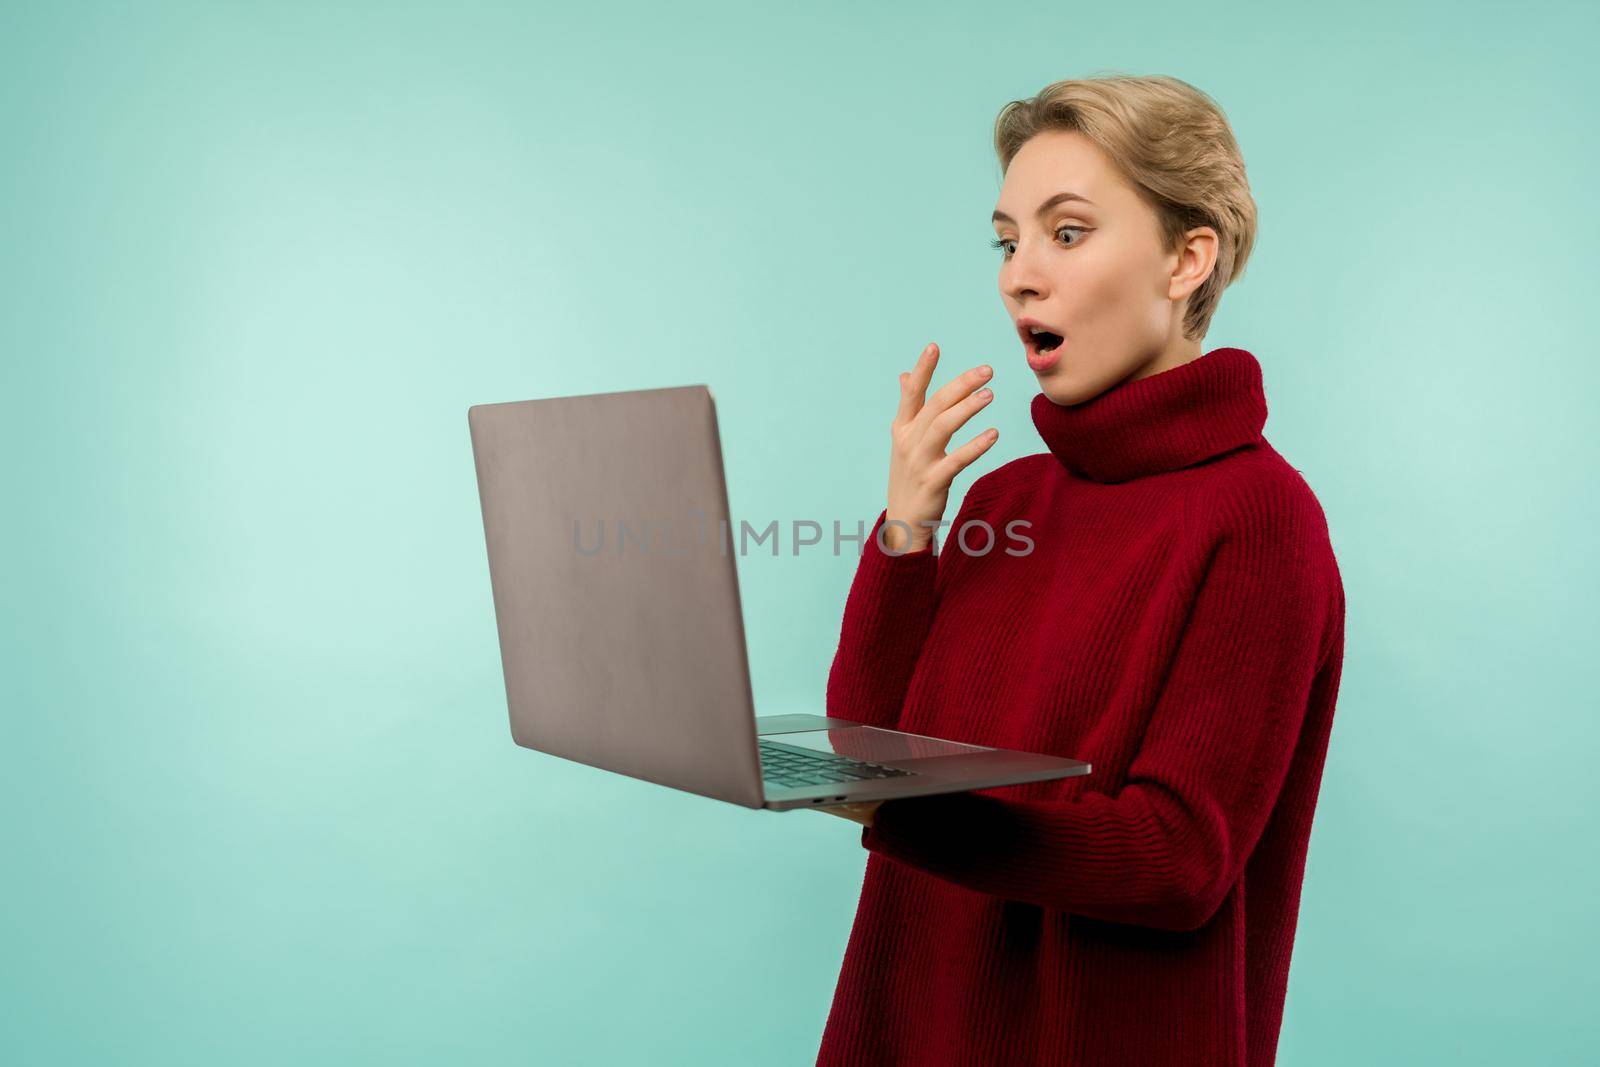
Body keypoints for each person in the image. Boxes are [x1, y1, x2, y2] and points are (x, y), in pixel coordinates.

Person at [812, 74, 1347, 1067]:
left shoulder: (1261, 521)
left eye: (1066, 232)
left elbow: (1179, 858)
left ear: (1189, 258)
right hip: (913, 1020)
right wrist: (906, 530)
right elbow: (869, 737)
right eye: (1006, 238)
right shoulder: (1004, 498)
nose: (1018, 275)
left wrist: (903, 815)